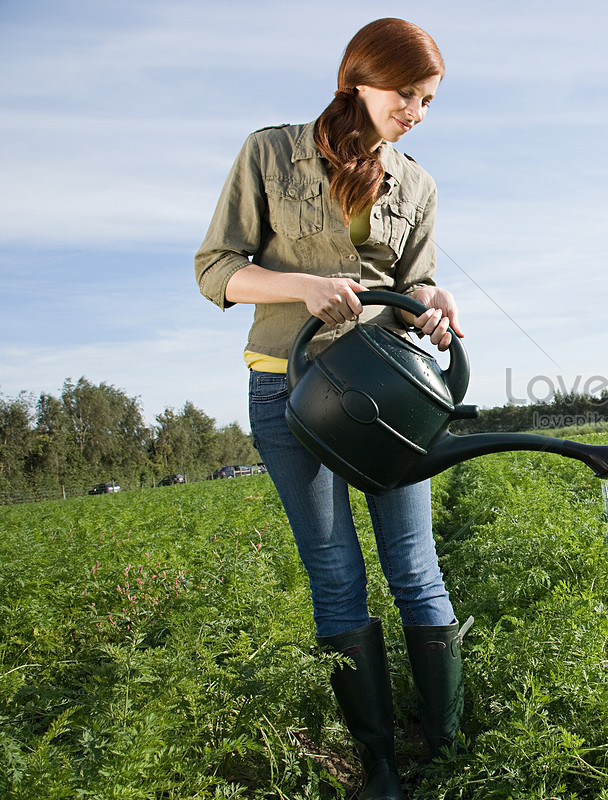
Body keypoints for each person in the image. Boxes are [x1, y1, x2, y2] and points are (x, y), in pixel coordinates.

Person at [194, 18, 468, 800]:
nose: (416, 111)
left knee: (415, 569)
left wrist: (433, 302)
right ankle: (381, 762)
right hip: (290, 390)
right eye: (406, 93)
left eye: (428, 100)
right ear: (359, 77)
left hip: (384, 398)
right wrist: (302, 286)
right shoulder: (270, 153)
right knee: (337, 574)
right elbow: (217, 270)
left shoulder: (415, 184)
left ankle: (445, 749)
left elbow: (415, 289)